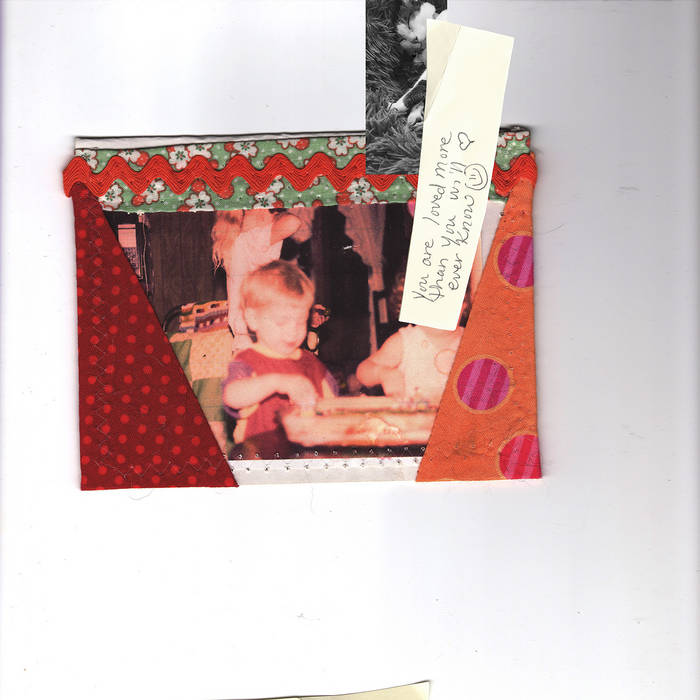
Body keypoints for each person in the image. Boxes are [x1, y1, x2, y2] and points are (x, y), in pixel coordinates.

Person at [222, 260, 337, 459]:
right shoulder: (248, 360)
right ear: (253, 319)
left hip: (307, 459)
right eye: (281, 322)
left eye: (300, 322)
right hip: (260, 461)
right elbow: (231, 396)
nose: (292, 331)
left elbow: (333, 407)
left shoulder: (311, 362)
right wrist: (277, 382)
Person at [211, 209, 306, 352]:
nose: (273, 213)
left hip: (245, 337)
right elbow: (293, 222)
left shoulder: (236, 242)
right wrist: (278, 216)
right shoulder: (253, 239)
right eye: (269, 210)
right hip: (259, 338)